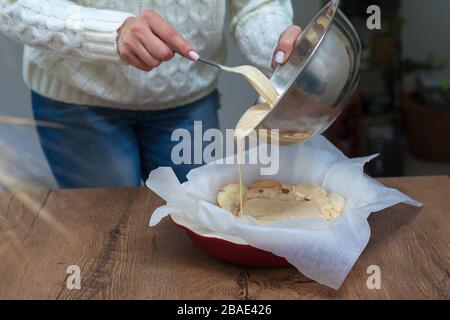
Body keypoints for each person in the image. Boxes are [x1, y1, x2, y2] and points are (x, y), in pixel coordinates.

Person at [0, 0, 301, 188]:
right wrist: (107, 32)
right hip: (77, 100)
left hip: (188, 100)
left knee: (194, 237)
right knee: (106, 240)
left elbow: (256, 5)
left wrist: (277, 49)